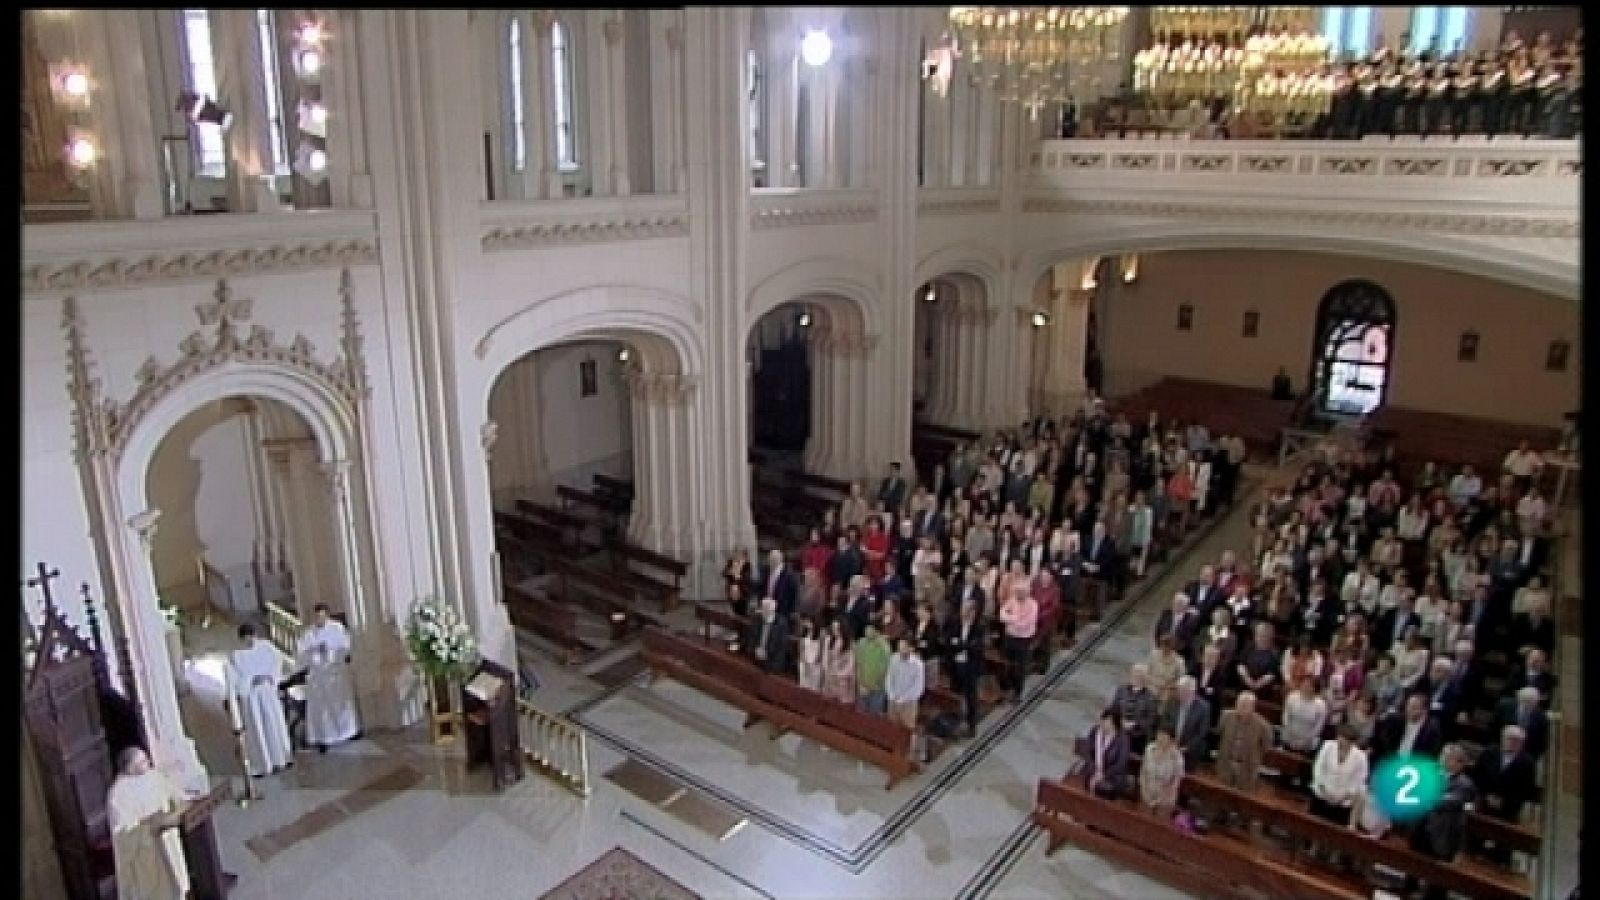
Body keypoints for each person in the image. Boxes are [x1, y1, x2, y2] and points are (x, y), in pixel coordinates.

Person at [107, 746, 192, 900]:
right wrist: (150, 824)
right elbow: (123, 832)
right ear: (129, 767)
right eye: (141, 762)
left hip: (167, 838)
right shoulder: (118, 793)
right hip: (145, 851)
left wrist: (182, 805)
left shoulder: (154, 776)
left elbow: (177, 795)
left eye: (146, 760)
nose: (147, 763)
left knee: (177, 883)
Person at [229, 622, 294, 776]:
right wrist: (251, 680)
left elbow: (276, 662)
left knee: (274, 723)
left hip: (267, 690)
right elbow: (236, 678)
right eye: (246, 639)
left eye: (252, 637)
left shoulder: (266, 647)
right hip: (252, 695)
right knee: (258, 728)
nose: (250, 641)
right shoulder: (237, 656)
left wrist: (270, 676)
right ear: (241, 639)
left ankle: (281, 758)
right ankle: (263, 763)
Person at [298, 604, 361, 752]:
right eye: (317, 617)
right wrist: (314, 651)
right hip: (318, 676)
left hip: (335, 672)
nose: (320, 619)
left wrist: (331, 650)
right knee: (322, 709)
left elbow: (345, 646)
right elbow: (302, 654)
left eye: (322, 616)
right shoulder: (309, 634)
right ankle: (324, 737)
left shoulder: (337, 628)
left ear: (327, 615)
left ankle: (348, 731)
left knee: (340, 703)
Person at [1472, 725, 1538, 824]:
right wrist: (1487, 796)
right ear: (1502, 738)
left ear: (1521, 744)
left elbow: (1525, 790)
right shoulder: (1490, 752)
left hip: (1508, 810)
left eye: (1516, 740)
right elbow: (1478, 775)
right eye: (1509, 738)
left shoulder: (1527, 763)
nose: (1511, 743)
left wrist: (1504, 802)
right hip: (1483, 802)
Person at [1310, 725, 1369, 826]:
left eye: (1344, 741)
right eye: (1339, 739)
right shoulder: (1327, 746)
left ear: (1352, 742)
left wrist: (1341, 797)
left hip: (1343, 802)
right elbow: (1318, 768)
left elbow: (1358, 781)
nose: (1340, 743)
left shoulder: (1361, 757)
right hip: (1321, 794)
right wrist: (1324, 790)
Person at [1216, 692, 1273, 794]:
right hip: (1226, 762)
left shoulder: (1262, 725)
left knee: (1242, 797)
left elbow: (1266, 746)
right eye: (1239, 704)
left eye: (1244, 705)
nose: (1240, 707)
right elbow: (1220, 733)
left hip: (1247, 766)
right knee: (1222, 793)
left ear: (1252, 707)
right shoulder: (1226, 716)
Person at [944, 599, 987, 736]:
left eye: (967, 610)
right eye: (962, 609)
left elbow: (976, 647)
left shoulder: (979, 627)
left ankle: (971, 725)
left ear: (973, 612)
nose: (963, 612)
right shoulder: (955, 622)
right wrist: (961, 645)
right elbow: (949, 640)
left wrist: (961, 644)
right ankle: (954, 723)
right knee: (955, 694)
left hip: (971, 666)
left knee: (970, 696)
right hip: (955, 664)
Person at [886, 638, 927, 754]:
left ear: (911, 648)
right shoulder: (894, 658)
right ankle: (894, 750)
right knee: (893, 726)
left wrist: (904, 698)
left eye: (904, 647)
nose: (901, 649)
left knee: (908, 728)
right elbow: (889, 677)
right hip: (893, 699)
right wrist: (892, 694)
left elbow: (918, 687)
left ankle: (908, 753)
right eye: (900, 646)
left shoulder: (918, 665)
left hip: (909, 702)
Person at [1140, 724, 1185, 818]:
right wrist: (1144, 791)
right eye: (1159, 735)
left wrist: (1160, 799)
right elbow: (1143, 772)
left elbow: (1175, 783)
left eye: (1164, 736)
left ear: (1171, 739)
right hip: (1147, 795)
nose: (1160, 738)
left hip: (1165, 800)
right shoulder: (1149, 749)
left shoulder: (1177, 757)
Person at [1084, 708, 1131, 799]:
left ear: (1114, 724)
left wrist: (1103, 775)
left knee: (1105, 788)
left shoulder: (1123, 739)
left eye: (1108, 722)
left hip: (1112, 777)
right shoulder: (1095, 731)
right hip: (1093, 772)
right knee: (1088, 780)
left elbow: (1121, 764)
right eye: (1103, 720)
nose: (1104, 724)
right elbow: (1087, 752)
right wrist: (1095, 771)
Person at [854, 622, 892, 715]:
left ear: (877, 632)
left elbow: (883, 670)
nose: (866, 631)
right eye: (866, 629)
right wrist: (861, 684)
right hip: (862, 686)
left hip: (877, 689)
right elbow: (858, 664)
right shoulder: (861, 643)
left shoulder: (884, 648)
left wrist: (871, 686)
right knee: (859, 714)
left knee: (873, 717)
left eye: (869, 629)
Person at [821, 618, 857, 704]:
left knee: (842, 704)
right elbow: (825, 656)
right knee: (829, 702)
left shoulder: (849, 643)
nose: (835, 631)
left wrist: (840, 674)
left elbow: (851, 663)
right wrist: (827, 669)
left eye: (837, 628)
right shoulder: (828, 640)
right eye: (833, 628)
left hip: (843, 680)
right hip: (830, 677)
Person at [797, 618, 823, 691]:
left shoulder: (820, 636)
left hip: (814, 664)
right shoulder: (804, 633)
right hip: (804, 661)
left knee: (813, 687)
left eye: (809, 622)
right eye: (807, 621)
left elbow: (820, 652)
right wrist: (803, 660)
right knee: (803, 684)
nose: (807, 623)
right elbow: (801, 648)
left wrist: (813, 663)